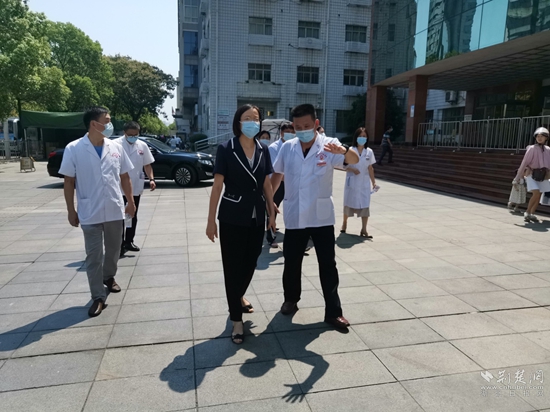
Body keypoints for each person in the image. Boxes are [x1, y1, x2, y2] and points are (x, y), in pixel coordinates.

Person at [271, 104, 359, 330]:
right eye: (298, 127)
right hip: (295, 216)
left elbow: (354, 159)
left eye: (307, 126)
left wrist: (343, 150)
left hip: (321, 218)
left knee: (328, 265)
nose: (302, 130)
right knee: (291, 262)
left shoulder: (329, 145)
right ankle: (291, 299)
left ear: (316, 124)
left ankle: (334, 312)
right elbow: (277, 174)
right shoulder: (288, 147)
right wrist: (270, 201)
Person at [206, 104, 276, 344]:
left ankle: (238, 295)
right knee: (232, 267)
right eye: (247, 118)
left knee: (251, 261)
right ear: (238, 122)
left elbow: (266, 183)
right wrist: (211, 221)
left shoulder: (263, 149)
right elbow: (217, 186)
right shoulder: (226, 149)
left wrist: (271, 212)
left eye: (256, 118)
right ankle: (236, 319)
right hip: (232, 216)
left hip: (257, 215)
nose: (252, 122)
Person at [59, 107, 135, 317]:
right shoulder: (74, 148)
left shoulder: (115, 147)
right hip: (89, 210)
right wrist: (70, 210)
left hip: (114, 209)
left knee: (114, 250)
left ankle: (108, 277)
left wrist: (130, 201)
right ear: (94, 124)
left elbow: (125, 177)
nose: (110, 124)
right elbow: (69, 181)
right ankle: (98, 297)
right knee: (94, 256)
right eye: (107, 120)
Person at [114, 122, 156, 256]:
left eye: (135, 135)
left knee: (132, 214)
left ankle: (129, 241)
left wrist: (151, 179)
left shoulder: (142, 145)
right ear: (124, 133)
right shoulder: (115, 145)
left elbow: (147, 164)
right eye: (130, 135)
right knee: (119, 216)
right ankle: (119, 244)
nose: (133, 137)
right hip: (118, 187)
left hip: (135, 186)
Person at [340, 127, 377, 238]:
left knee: (365, 205)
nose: (362, 138)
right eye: (360, 136)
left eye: (364, 136)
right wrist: (352, 169)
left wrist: (373, 182)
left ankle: (364, 229)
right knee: (348, 204)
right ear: (356, 137)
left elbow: (370, 168)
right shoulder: (350, 150)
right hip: (352, 181)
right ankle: (344, 223)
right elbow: (343, 166)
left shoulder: (369, 152)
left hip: (364, 183)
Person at [266, 123, 295, 248]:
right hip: (277, 183)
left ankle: (297, 238)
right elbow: (276, 170)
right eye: (287, 131)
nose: (290, 134)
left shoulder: (295, 145)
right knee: (272, 209)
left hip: (291, 183)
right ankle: (271, 237)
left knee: (294, 209)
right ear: (281, 133)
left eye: (292, 132)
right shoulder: (273, 148)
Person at [514, 127, 550, 222]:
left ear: (546, 138)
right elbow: (524, 163)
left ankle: (532, 213)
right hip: (531, 174)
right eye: (538, 136)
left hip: (543, 175)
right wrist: (517, 178)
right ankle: (527, 212)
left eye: (542, 136)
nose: (539, 138)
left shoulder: (548, 149)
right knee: (536, 192)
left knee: (539, 195)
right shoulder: (532, 148)